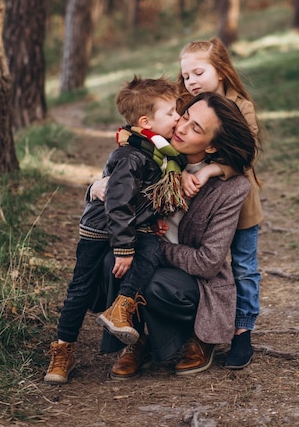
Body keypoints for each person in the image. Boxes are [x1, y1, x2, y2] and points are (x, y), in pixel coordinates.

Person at [98, 92, 257, 379]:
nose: (181, 128)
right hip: (149, 256)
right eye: (184, 117)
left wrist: (155, 249)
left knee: (156, 282)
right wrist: (95, 188)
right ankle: (134, 339)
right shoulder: (155, 157)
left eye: (196, 128)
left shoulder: (231, 189)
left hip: (195, 282)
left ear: (212, 147)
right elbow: (113, 190)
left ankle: (199, 337)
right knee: (114, 257)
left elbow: (207, 262)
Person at [44, 76, 187, 384]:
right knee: (80, 289)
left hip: (129, 226)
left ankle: (121, 307)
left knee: (151, 249)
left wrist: (153, 217)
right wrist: (123, 248)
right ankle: (63, 349)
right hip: (101, 231)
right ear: (147, 121)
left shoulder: (154, 151)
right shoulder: (131, 155)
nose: (178, 117)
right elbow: (117, 204)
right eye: (172, 113)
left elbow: (143, 196)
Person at [177, 38, 263, 369]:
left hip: (240, 208)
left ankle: (242, 331)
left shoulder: (241, 106)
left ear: (222, 71)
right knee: (206, 265)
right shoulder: (189, 106)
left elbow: (248, 154)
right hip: (198, 207)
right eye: (186, 76)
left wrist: (214, 168)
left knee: (243, 267)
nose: (192, 81)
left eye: (199, 72)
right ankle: (202, 330)